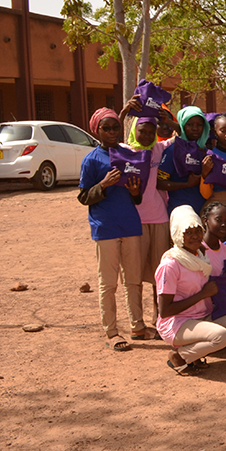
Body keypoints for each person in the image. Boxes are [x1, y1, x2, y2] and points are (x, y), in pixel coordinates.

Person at [156, 205, 226, 375]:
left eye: (198, 231)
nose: (195, 236)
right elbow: (165, 311)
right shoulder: (170, 264)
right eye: (188, 232)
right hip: (178, 323)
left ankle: (195, 352)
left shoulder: (200, 256)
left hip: (203, 315)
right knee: (221, 336)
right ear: (177, 234)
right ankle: (180, 356)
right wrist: (202, 294)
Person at [79, 107, 146, 351]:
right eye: (105, 128)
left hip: (130, 224)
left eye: (115, 127)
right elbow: (84, 196)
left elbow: (136, 198)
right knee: (108, 283)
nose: (111, 132)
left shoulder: (128, 155)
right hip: (105, 227)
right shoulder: (92, 159)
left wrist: (135, 192)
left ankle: (137, 326)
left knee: (134, 280)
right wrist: (103, 184)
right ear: (95, 130)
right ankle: (112, 331)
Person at [125, 110, 171, 336]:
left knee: (159, 275)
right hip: (135, 221)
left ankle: (160, 318)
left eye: (151, 132)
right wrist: (125, 112)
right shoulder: (125, 152)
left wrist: (166, 119)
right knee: (133, 275)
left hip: (160, 218)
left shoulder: (158, 150)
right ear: (134, 130)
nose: (146, 135)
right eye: (142, 131)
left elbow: (180, 135)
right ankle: (137, 324)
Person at [158, 105, 209, 215]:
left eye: (199, 125)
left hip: (203, 210)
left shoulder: (205, 152)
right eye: (189, 124)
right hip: (180, 211)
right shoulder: (173, 150)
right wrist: (187, 184)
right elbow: (160, 183)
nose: (195, 128)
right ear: (182, 126)